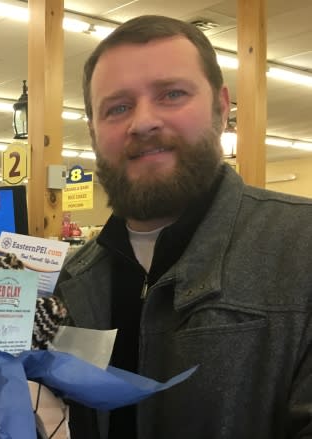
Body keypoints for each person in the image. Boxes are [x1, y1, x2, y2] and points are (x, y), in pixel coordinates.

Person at [53, 15, 312, 439]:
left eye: (172, 94)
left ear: (221, 107)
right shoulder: (69, 283)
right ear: (93, 132)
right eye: (117, 107)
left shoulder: (301, 249)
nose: (142, 122)